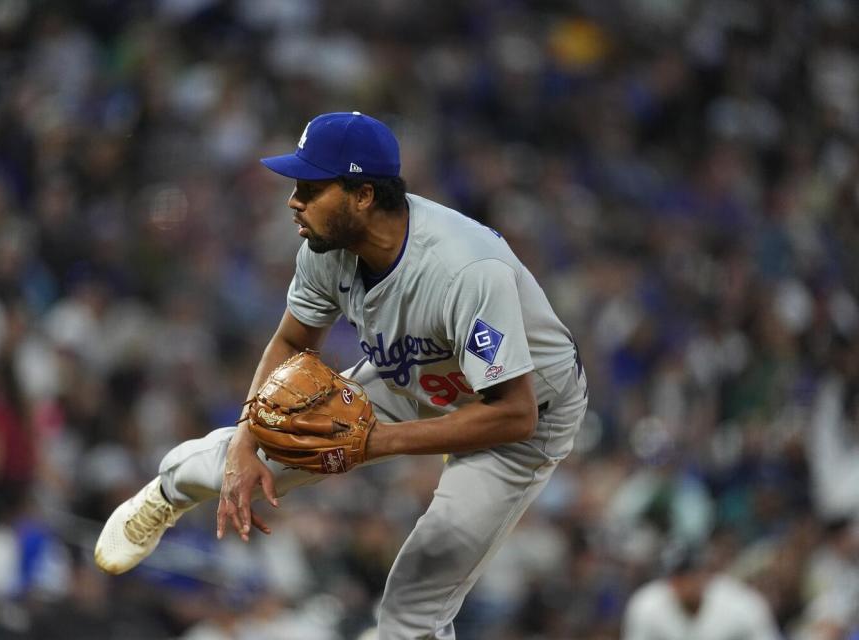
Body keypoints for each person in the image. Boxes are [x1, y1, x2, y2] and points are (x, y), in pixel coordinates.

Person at [94, 111, 588, 639]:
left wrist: (376, 444)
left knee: (412, 605)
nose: (294, 200)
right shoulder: (324, 249)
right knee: (249, 460)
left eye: (310, 186)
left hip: (523, 418)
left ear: (363, 195)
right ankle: (166, 493)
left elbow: (514, 413)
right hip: (415, 377)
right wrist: (246, 434)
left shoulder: (465, 270)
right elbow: (290, 342)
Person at [623, 545, 781, 640]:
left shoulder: (742, 604)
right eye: (679, 576)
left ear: (706, 575)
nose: (687, 582)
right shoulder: (647, 604)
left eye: (693, 574)